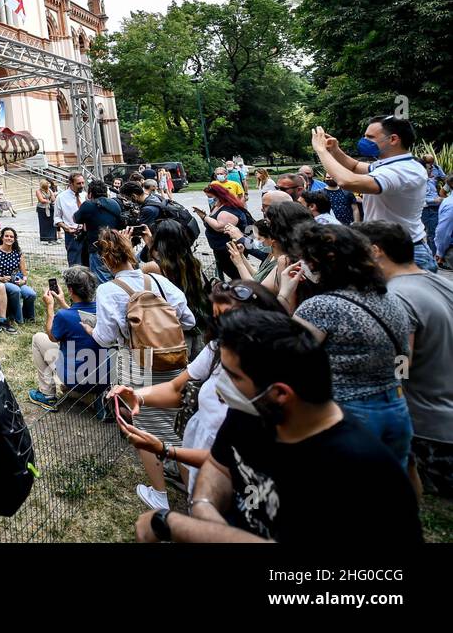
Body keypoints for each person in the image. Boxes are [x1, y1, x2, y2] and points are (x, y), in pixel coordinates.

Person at [135, 308, 422, 544]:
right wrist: (205, 509)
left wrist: (171, 524)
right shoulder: (250, 412)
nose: (219, 386)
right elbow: (220, 464)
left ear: (281, 393)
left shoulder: (362, 469)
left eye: (232, 377)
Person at [110, 280, 280, 496]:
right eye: (218, 320)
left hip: (236, 485)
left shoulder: (274, 377)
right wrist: (138, 395)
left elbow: (233, 458)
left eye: (230, 320)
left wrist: (166, 450)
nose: (222, 330)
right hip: (196, 460)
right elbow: (176, 389)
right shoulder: (217, 348)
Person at [285, 224, 413, 467]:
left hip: (349, 413)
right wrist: (392, 385)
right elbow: (403, 358)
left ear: (324, 261)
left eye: (306, 258)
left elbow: (289, 363)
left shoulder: (320, 307)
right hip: (395, 408)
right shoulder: (389, 298)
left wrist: (283, 296)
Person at [91, 230, 196, 510]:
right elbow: (188, 319)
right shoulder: (159, 281)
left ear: (105, 260)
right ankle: (193, 496)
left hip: (138, 362)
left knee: (146, 428)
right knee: (179, 428)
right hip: (173, 360)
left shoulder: (108, 290)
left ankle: (159, 495)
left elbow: (104, 337)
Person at [356, 220, 453, 499]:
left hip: (432, 433)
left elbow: (401, 365)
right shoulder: (437, 281)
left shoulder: (396, 297)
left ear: (375, 251)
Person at [311, 118, 436, 272]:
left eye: (370, 137)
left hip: (403, 255)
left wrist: (321, 151)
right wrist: (335, 150)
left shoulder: (403, 170)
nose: (364, 141)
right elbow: (355, 166)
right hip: (387, 249)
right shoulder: (389, 164)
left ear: (393, 139)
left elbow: (347, 181)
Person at [28, 266, 105, 410]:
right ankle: (93, 398)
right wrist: (63, 303)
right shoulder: (103, 309)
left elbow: (52, 336)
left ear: (70, 290)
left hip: (76, 379)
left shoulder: (64, 316)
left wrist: (50, 307)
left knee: (38, 338)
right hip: (103, 378)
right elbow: (80, 316)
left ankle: (47, 395)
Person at [140, 219, 212, 351]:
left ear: (159, 242)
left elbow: (133, 281)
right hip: (196, 325)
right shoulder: (192, 262)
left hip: (173, 333)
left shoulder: (152, 267)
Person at [193, 182, 252, 282]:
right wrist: (204, 217)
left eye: (211, 197)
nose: (210, 199)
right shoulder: (217, 205)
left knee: (237, 273)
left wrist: (205, 216)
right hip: (221, 249)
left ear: (219, 195)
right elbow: (211, 224)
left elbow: (219, 227)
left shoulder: (228, 210)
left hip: (230, 248)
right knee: (231, 272)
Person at [74, 179, 124, 283]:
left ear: (90, 193)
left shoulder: (88, 205)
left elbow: (76, 218)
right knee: (114, 274)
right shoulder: (114, 203)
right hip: (115, 244)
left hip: (97, 246)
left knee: (101, 279)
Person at [0, 226, 37, 323]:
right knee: (15, 291)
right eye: (6, 236)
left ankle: (29, 318)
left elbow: (24, 273)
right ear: (1, 237)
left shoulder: (18, 253)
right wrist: (0, 278)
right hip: (2, 281)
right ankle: (18, 320)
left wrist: (23, 280)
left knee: (31, 294)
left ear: (14, 239)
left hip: (17, 280)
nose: (9, 238)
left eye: (11, 237)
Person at [55, 173, 86, 266]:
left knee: (87, 263)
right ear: (71, 183)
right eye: (79, 183)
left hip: (86, 234)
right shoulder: (61, 197)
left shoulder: (85, 195)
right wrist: (66, 228)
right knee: (75, 264)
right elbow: (57, 218)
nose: (82, 186)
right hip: (72, 234)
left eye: (83, 183)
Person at [422, 153, 446, 253]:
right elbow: (417, 198)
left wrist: (445, 190)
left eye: (432, 164)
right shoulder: (419, 179)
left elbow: (445, 178)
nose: (431, 167)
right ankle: (434, 257)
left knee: (437, 232)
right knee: (432, 233)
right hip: (427, 208)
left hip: (437, 206)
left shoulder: (435, 169)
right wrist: (434, 200)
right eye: (429, 165)